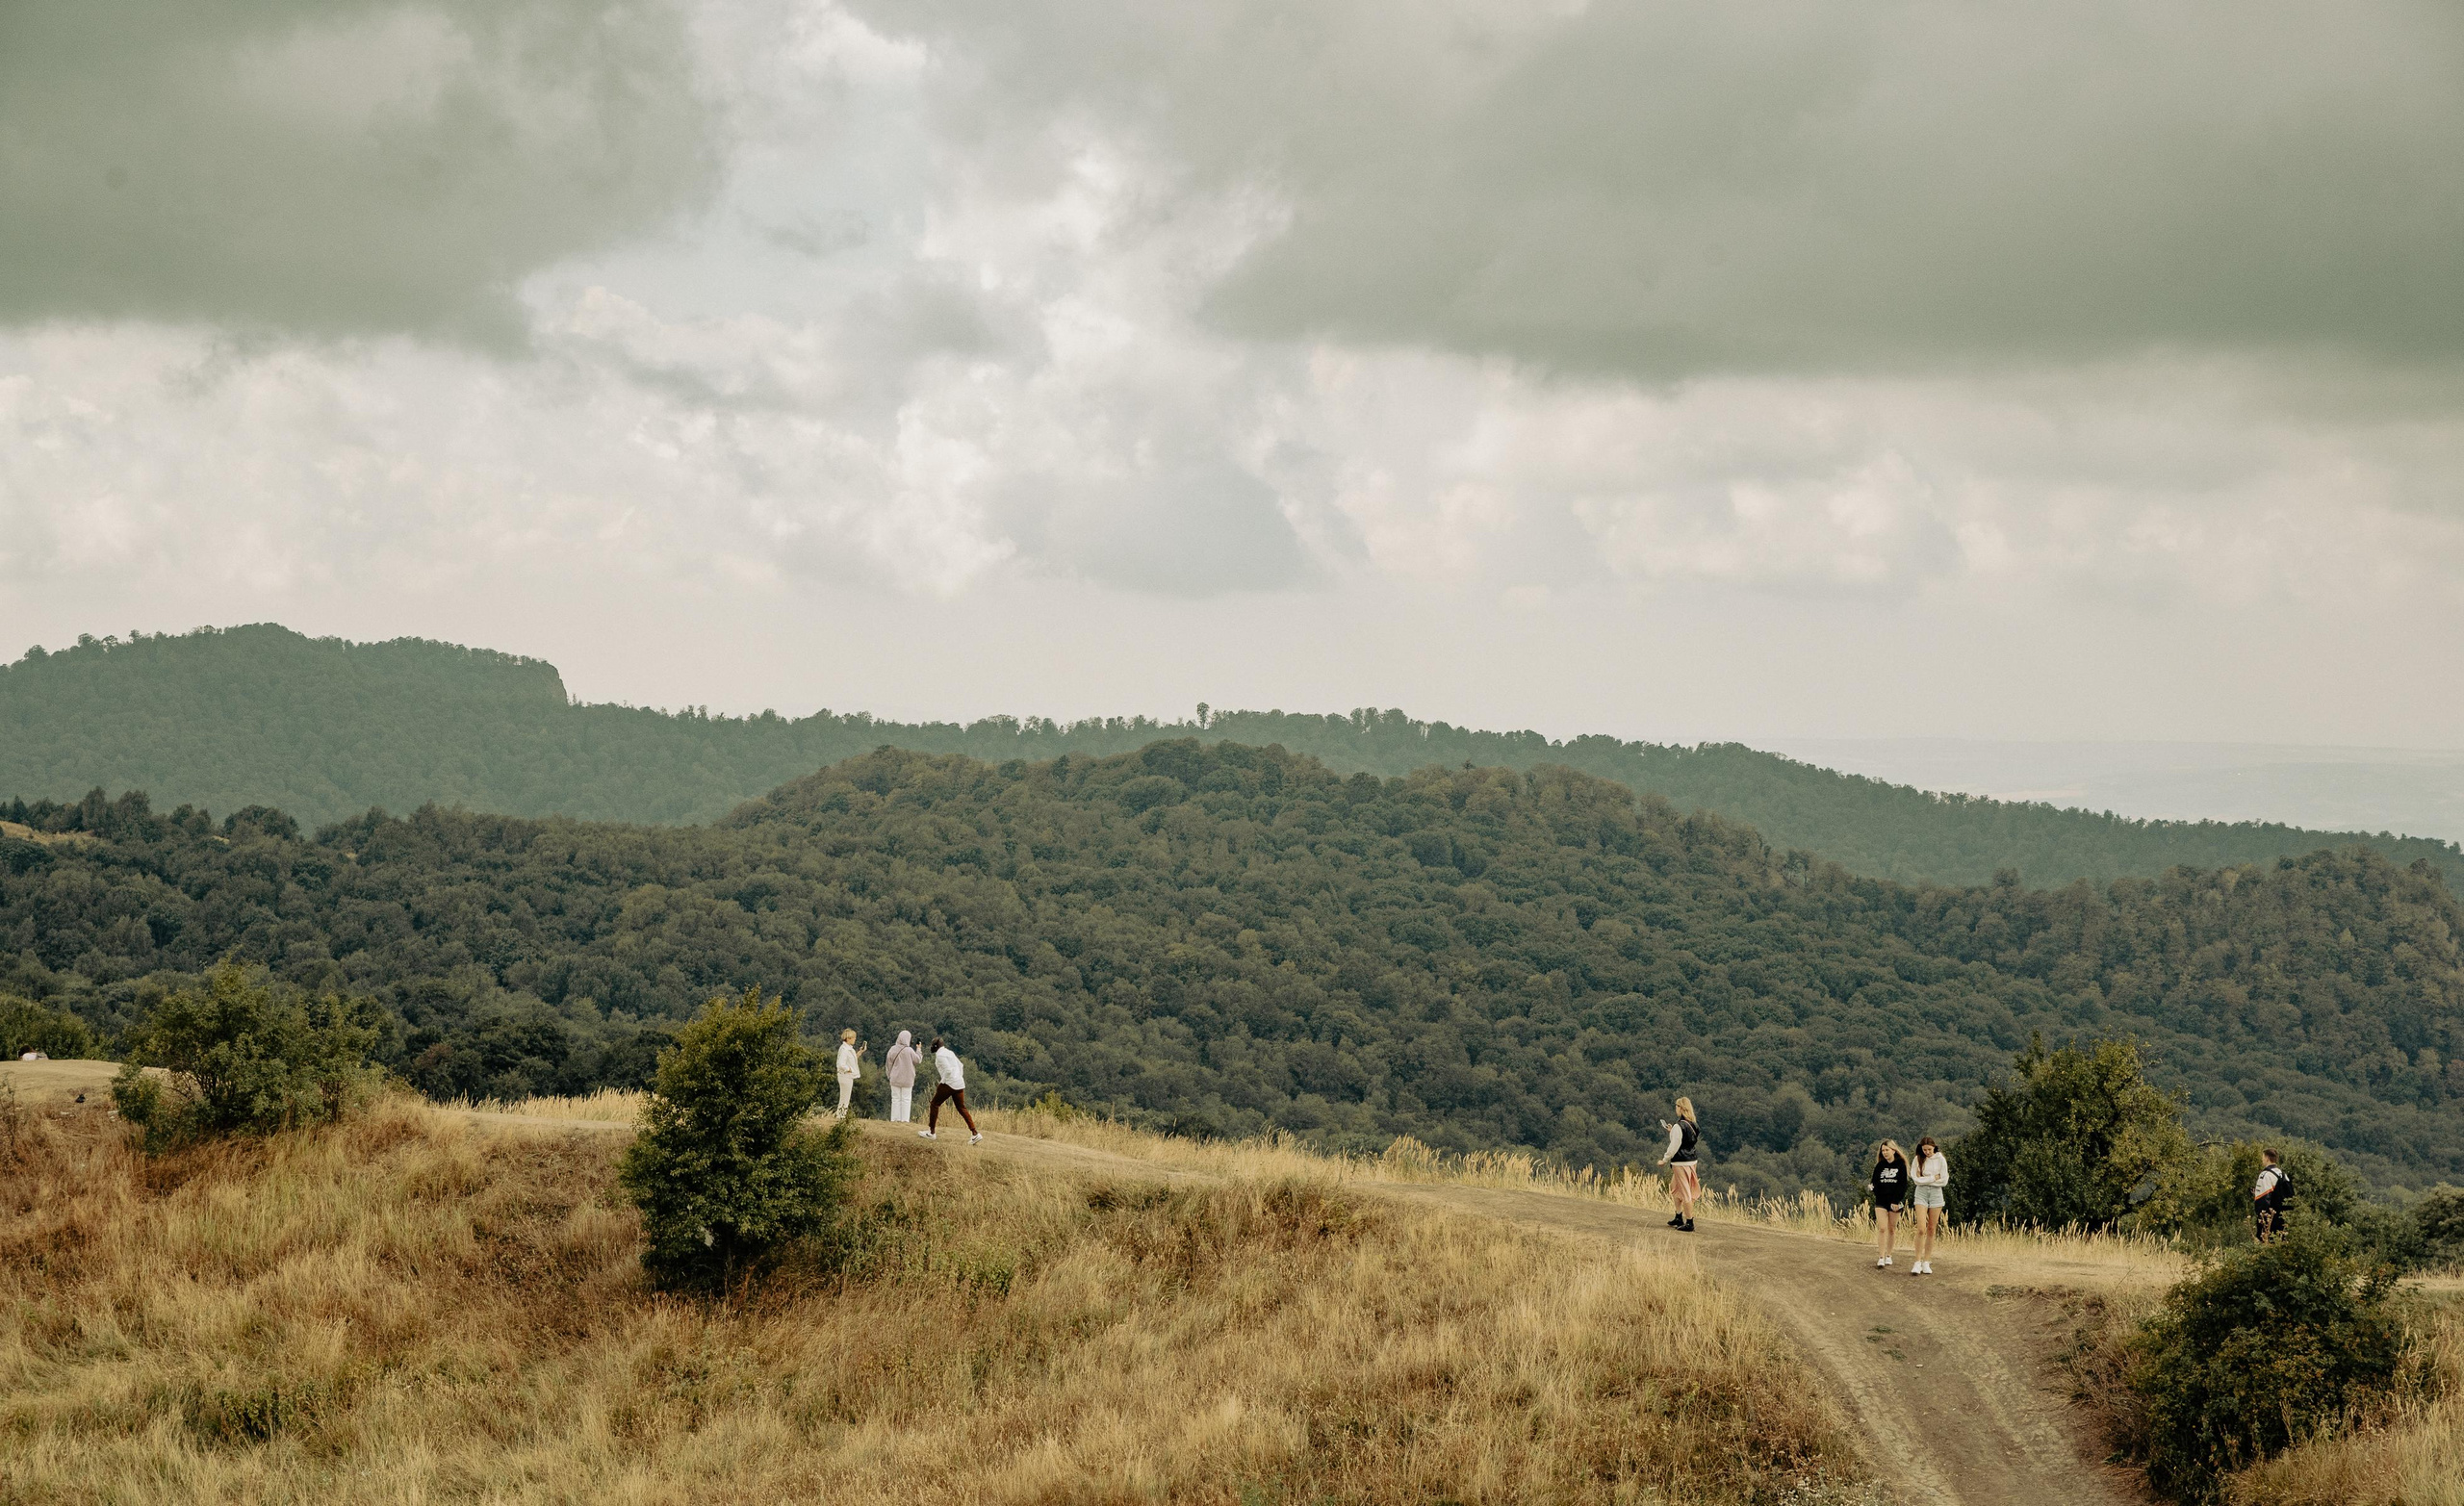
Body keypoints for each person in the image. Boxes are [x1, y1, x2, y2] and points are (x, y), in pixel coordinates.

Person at [920, 1036, 981, 1144]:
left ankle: (931, 1132)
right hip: (959, 1082)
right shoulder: (950, 1052)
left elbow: (948, 1070)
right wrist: (958, 1077)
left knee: (934, 1104)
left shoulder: (939, 1055)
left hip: (949, 1083)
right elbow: (960, 1065)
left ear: (935, 1046)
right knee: (961, 1108)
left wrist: (942, 1082)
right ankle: (975, 1133)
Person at [1657, 1096, 1701, 1233]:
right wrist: (1672, 1132)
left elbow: (1675, 1145)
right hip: (1691, 1160)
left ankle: (1689, 1222)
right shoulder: (1693, 1124)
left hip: (1680, 1162)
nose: (1675, 1108)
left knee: (1685, 1192)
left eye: (1676, 1106)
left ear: (1681, 1108)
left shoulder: (1678, 1126)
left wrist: (1664, 1159)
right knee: (1674, 1186)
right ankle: (1678, 1216)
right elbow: (1688, 1140)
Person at [1908, 1136, 1950, 1275]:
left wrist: (1925, 1179)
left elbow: (1943, 1181)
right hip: (1921, 1193)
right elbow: (1916, 1180)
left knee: (1931, 1228)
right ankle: (1917, 1261)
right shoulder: (1917, 1159)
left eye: (1929, 1149)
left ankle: (1926, 1261)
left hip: (1937, 1194)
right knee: (1921, 1228)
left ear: (1934, 1148)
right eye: (1925, 1150)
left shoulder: (1940, 1159)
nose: (1927, 1152)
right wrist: (1933, 1178)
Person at [1869, 1140, 1911, 1268]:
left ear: (1893, 1150)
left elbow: (1903, 1185)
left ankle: (1889, 1255)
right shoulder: (1880, 1166)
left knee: (1892, 1229)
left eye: (1887, 1150)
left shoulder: (1901, 1165)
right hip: (1881, 1201)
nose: (1885, 1152)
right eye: (1883, 1151)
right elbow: (1874, 1182)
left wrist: (1896, 1201)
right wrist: (1874, 1190)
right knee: (1882, 1228)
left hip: (1895, 1202)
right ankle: (1881, 1256)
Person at [2252, 1148, 2293, 1243]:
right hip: (2283, 1220)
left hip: (2270, 1221)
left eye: (2263, 1157)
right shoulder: (2283, 1174)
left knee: (2267, 1248)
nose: (2262, 1160)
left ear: (2267, 1158)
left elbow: (2262, 1201)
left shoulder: (2265, 1175)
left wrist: (2261, 1221)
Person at [883, 1030, 921, 1123]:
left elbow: (888, 1064)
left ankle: (895, 1119)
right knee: (906, 1099)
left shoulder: (892, 1049)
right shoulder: (909, 1051)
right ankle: (904, 1120)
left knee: (895, 1099)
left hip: (895, 1078)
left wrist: (889, 1076)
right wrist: (919, 1049)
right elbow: (918, 1060)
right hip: (907, 1079)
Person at [834, 1029, 863, 1119]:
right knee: (845, 1098)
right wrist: (849, 1069)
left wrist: (859, 1053)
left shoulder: (848, 1049)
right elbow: (841, 1064)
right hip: (845, 1076)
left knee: (845, 1097)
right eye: (854, 1038)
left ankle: (841, 1115)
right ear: (848, 1038)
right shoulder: (845, 1050)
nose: (855, 1039)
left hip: (847, 1076)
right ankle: (841, 1116)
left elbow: (852, 1060)